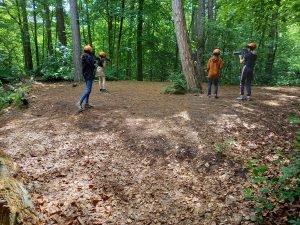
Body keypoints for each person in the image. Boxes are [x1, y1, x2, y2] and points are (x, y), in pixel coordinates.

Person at [76, 45, 96, 112]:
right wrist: (94, 64)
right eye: (91, 49)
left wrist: (93, 62)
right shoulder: (88, 56)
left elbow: (89, 64)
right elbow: (91, 65)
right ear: (89, 50)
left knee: (88, 90)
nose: (91, 50)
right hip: (89, 74)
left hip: (86, 74)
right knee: (88, 90)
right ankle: (79, 102)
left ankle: (86, 103)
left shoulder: (84, 56)